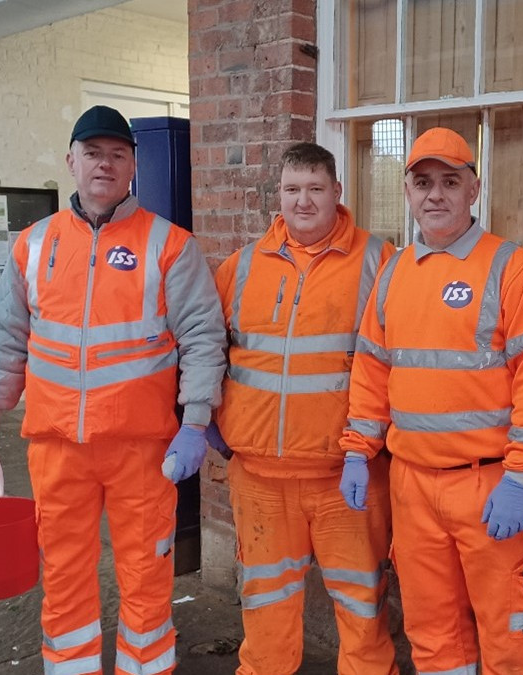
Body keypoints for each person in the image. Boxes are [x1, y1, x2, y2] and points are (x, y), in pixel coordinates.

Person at [0, 105, 226, 675]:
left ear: (134, 165)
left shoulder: (170, 245)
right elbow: (6, 338)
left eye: (117, 154)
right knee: (62, 574)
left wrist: (195, 420)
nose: (104, 165)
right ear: (71, 162)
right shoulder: (33, 246)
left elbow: (205, 338)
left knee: (146, 573)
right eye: (92, 153)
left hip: (142, 450)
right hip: (57, 447)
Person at [338, 127, 523, 674]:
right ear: (407, 192)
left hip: (487, 485)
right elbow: (371, 371)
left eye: (449, 182)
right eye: (422, 182)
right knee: (433, 633)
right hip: (412, 484)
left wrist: (519, 475)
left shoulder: (514, 269)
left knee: (510, 631)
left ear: (474, 189)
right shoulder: (392, 274)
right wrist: (357, 450)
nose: (435, 195)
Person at [204, 142, 398, 675]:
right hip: (260, 479)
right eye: (292, 190)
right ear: (278, 196)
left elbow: (397, 364)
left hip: (348, 477)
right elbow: (205, 349)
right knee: (265, 611)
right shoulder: (242, 267)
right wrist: (205, 421)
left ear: (337, 192)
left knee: (362, 610)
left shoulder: (381, 262)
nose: (304, 201)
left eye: (315, 189)